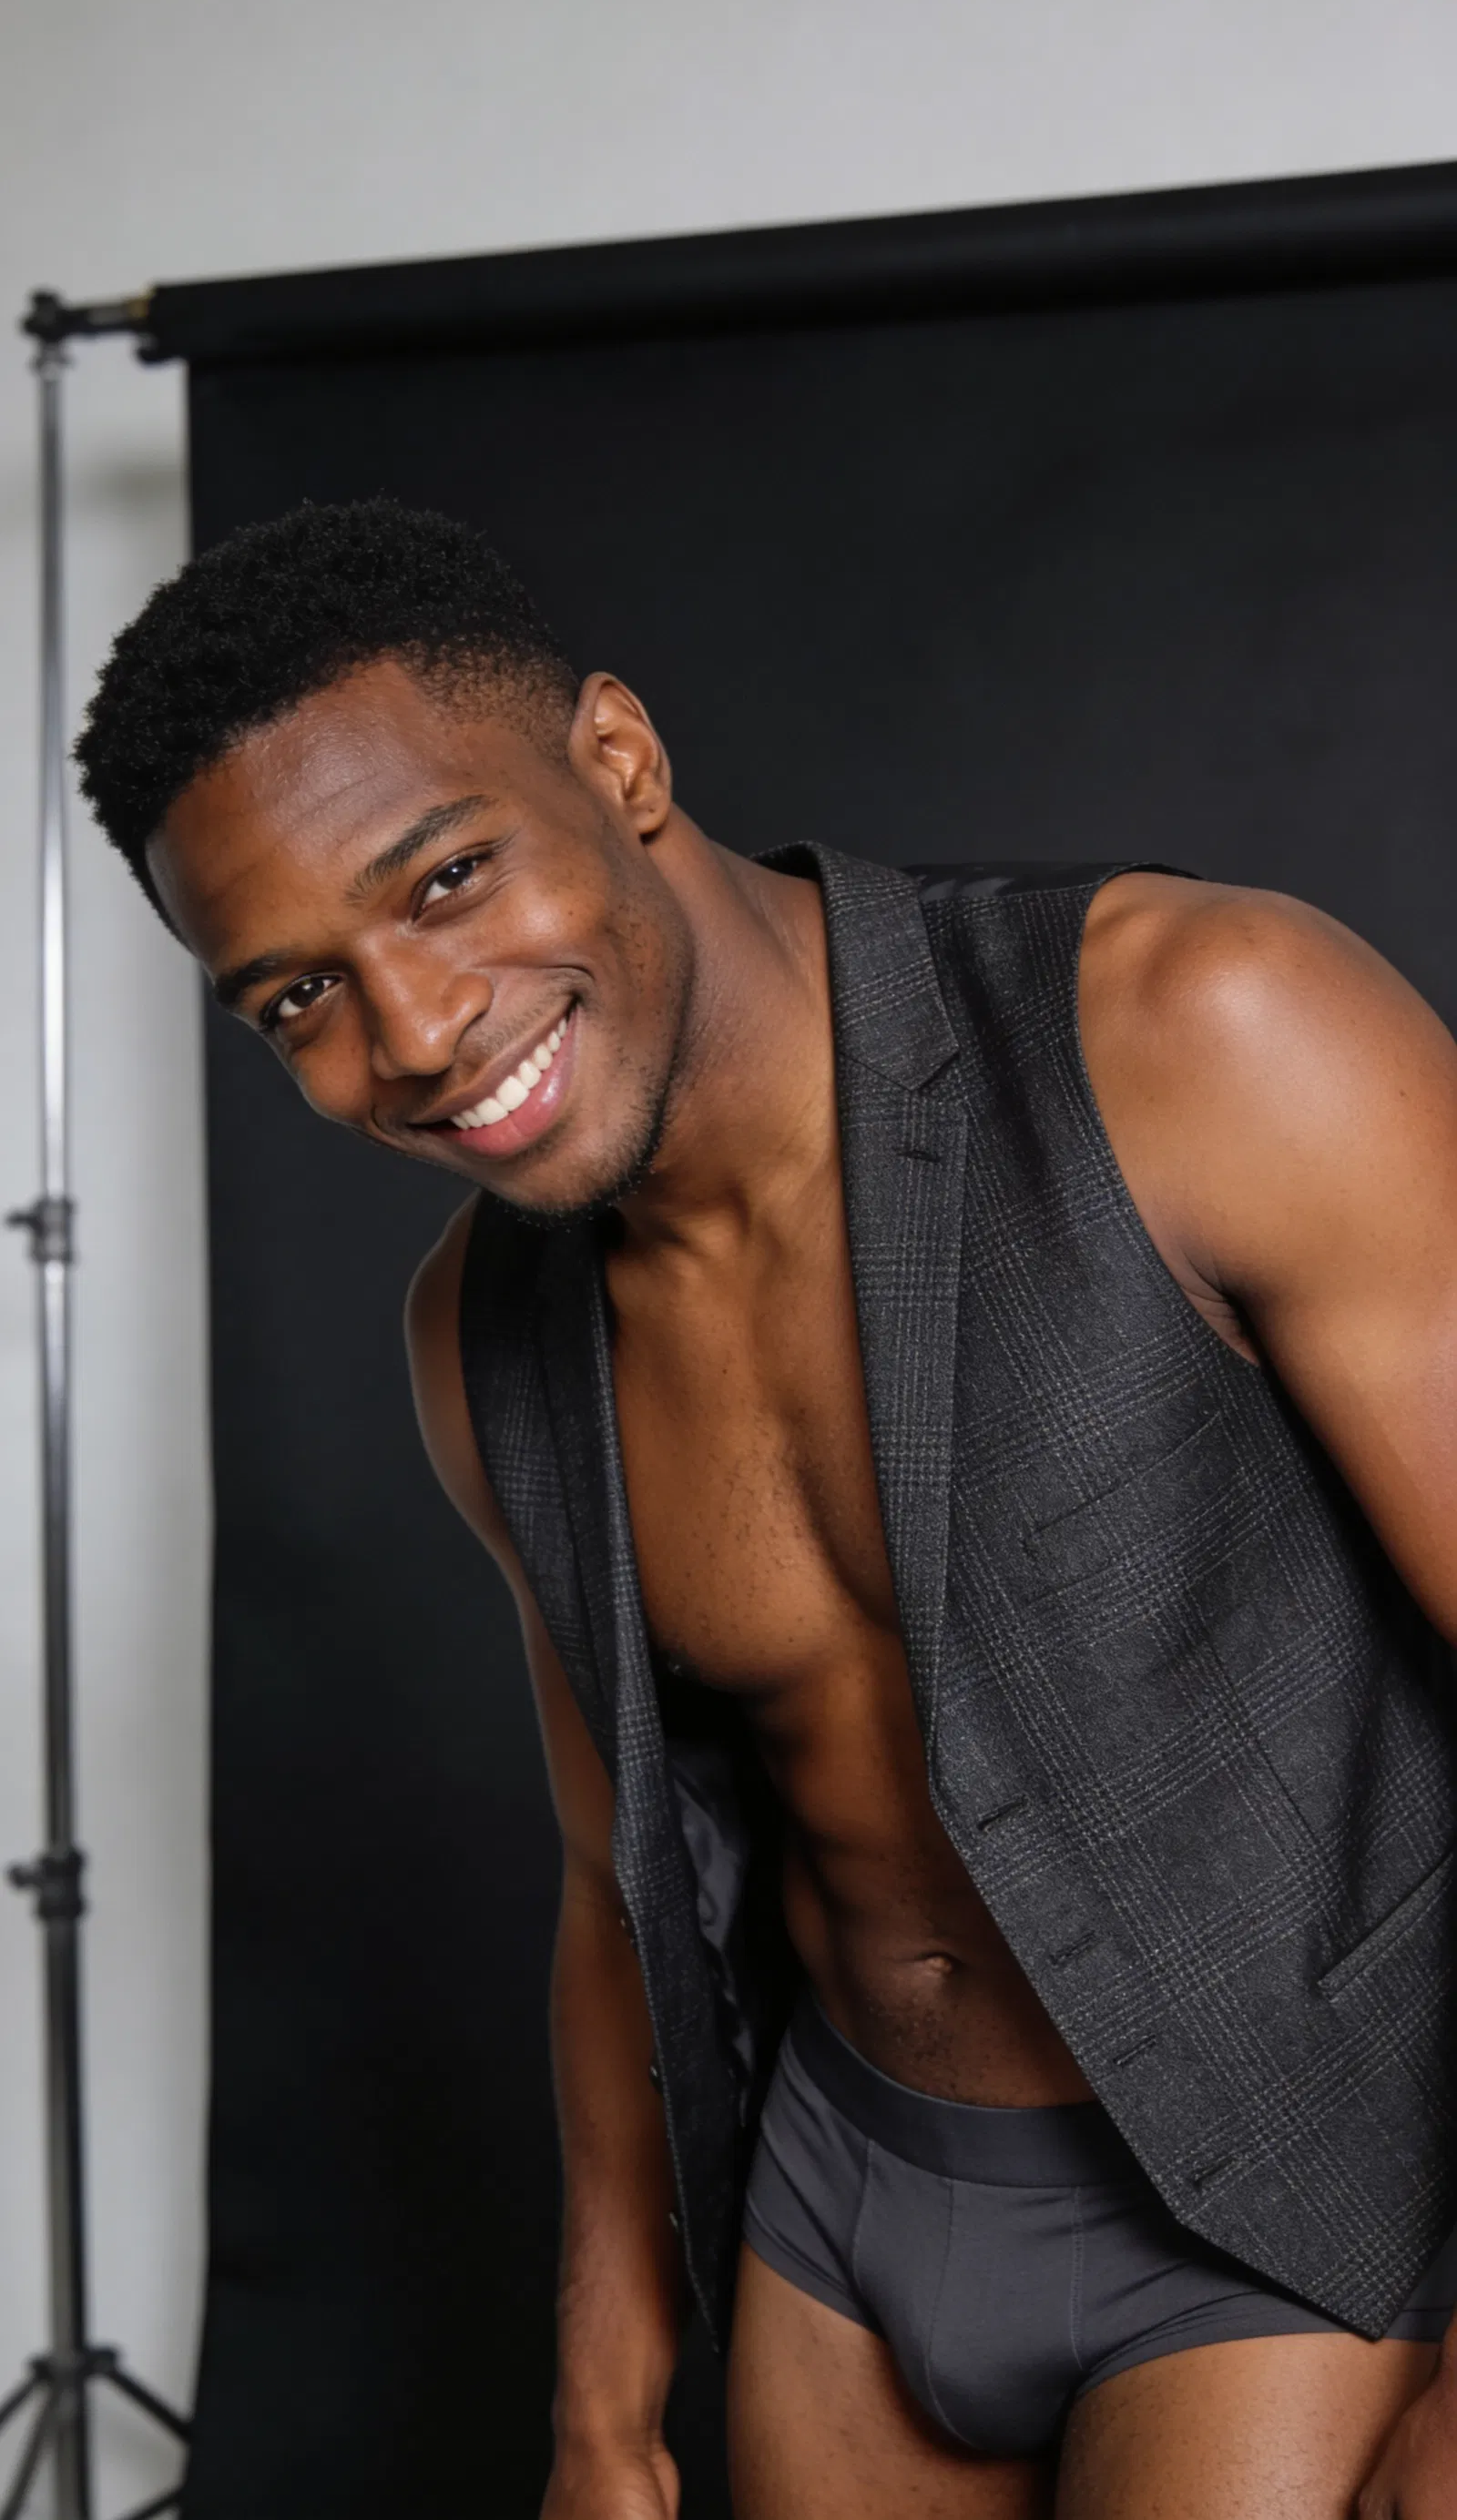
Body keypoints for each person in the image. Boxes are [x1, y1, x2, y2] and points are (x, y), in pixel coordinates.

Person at [76, 499, 1457, 2519]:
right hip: (850, 2214)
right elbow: (610, 1881)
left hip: (1282, 2193)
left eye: (446, 879)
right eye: (297, 999)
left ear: (617, 764)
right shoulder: (483, 1330)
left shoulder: (1193, 1028)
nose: (417, 1034)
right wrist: (600, 2401)